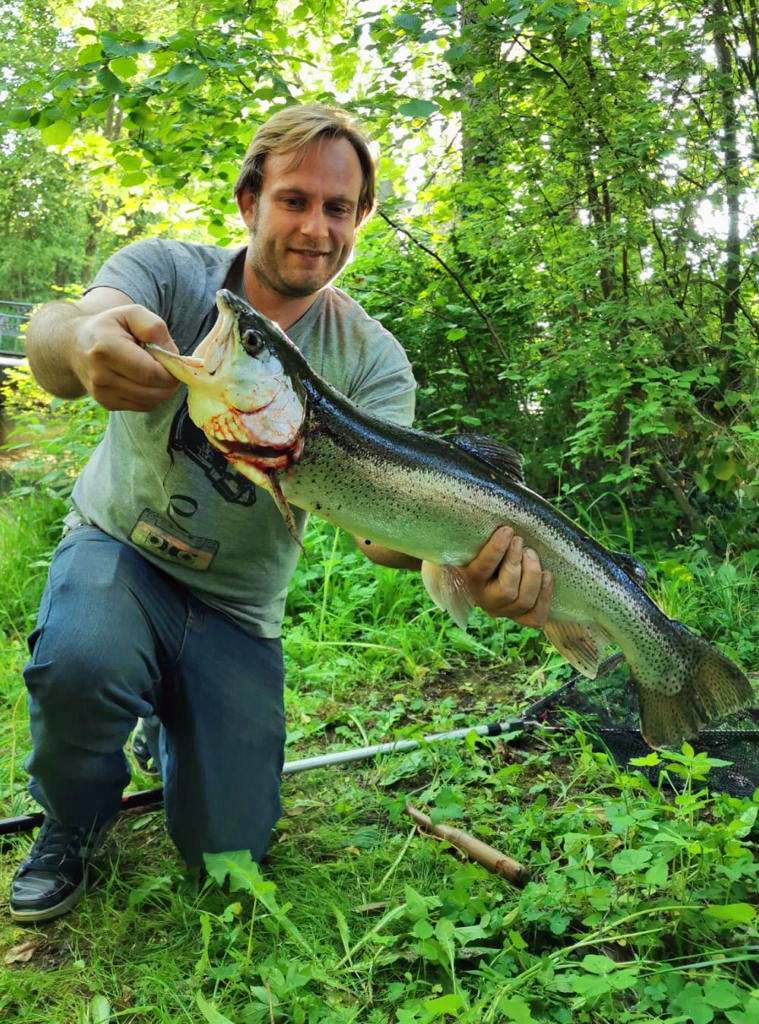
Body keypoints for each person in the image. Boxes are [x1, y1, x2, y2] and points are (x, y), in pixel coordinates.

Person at [10, 104, 553, 923]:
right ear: (249, 202)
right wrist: (81, 341)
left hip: (236, 608)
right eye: (294, 199)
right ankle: (72, 821)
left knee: (231, 853)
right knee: (84, 660)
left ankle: (175, 725)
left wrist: (475, 567)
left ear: (359, 219)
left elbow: (380, 538)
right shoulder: (169, 274)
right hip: (118, 554)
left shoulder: (372, 360)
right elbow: (52, 334)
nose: (315, 227)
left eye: (339, 208)